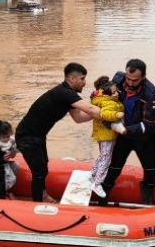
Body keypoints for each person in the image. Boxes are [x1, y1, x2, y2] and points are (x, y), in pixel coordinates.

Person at [15, 63, 102, 202]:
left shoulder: (67, 94)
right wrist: (111, 113)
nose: (85, 83)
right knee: (39, 172)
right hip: (27, 137)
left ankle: (43, 196)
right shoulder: (64, 93)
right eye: (82, 79)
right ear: (72, 79)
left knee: (43, 168)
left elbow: (79, 118)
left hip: (37, 136)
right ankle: (37, 205)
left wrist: (99, 112)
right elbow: (91, 110)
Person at [98, 59, 155, 206]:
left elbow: (151, 125)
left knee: (152, 170)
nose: (131, 83)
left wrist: (127, 129)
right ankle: (101, 200)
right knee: (112, 170)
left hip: (143, 137)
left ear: (144, 76)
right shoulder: (118, 81)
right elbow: (104, 97)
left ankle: (147, 193)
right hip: (121, 138)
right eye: (128, 79)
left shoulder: (152, 94)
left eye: (135, 80)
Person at [89, 75, 125, 199]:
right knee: (106, 159)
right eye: (115, 92)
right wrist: (117, 114)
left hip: (103, 133)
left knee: (103, 155)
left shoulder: (102, 99)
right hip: (106, 135)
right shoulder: (108, 102)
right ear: (108, 93)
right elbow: (105, 113)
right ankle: (97, 183)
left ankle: (94, 172)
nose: (117, 93)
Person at [0, 120, 21, 199]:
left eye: (7, 137)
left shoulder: (10, 140)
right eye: (3, 137)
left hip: (4, 164)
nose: (6, 139)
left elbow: (13, 155)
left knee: (16, 166)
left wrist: (12, 149)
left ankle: (4, 191)